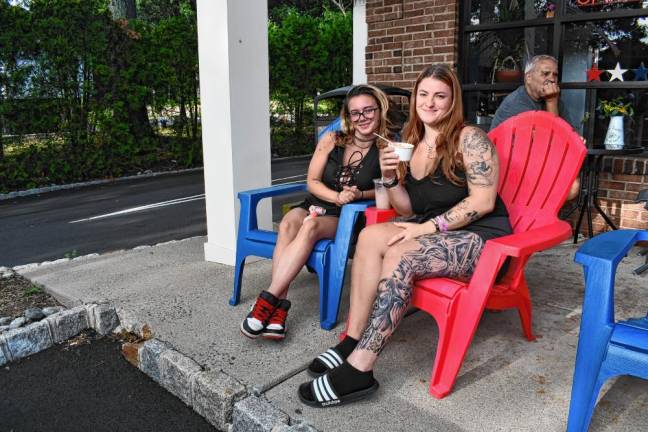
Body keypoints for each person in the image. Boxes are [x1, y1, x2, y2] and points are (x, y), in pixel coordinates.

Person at [298, 64, 513, 407]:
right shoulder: (411, 142)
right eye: (423, 95)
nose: (430, 103)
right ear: (415, 100)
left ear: (452, 100)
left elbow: (484, 201)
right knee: (370, 237)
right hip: (433, 235)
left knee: (401, 253)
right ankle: (352, 339)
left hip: (483, 241)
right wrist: (389, 178)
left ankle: (360, 368)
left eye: (440, 96)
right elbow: (407, 204)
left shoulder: (470, 138)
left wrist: (426, 227)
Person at [240, 84, 390, 341]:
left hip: (346, 217)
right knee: (288, 223)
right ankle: (278, 311)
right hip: (320, 200)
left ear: (380, 111)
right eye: (355, 113)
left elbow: (388, 192)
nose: (362, 118)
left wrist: (358, 195)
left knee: (309, 226)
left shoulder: (387, 148)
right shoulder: (333, 139)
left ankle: (267, 300)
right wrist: (336, 196)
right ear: (348, 116)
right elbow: (312, 181)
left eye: (368, 111)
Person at [491, 54, 580, 200]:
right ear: (528, 77)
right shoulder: (516, 104)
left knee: (572, 184)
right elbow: (548, 144)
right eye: (545, 73)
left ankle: (539, 215)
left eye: (555, 75)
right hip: (509, 172)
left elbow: (569, 136)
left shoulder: (555, 101)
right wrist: (551, 101)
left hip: (534, 167)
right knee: (569, 186)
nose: (551, 79)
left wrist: (574, 138)